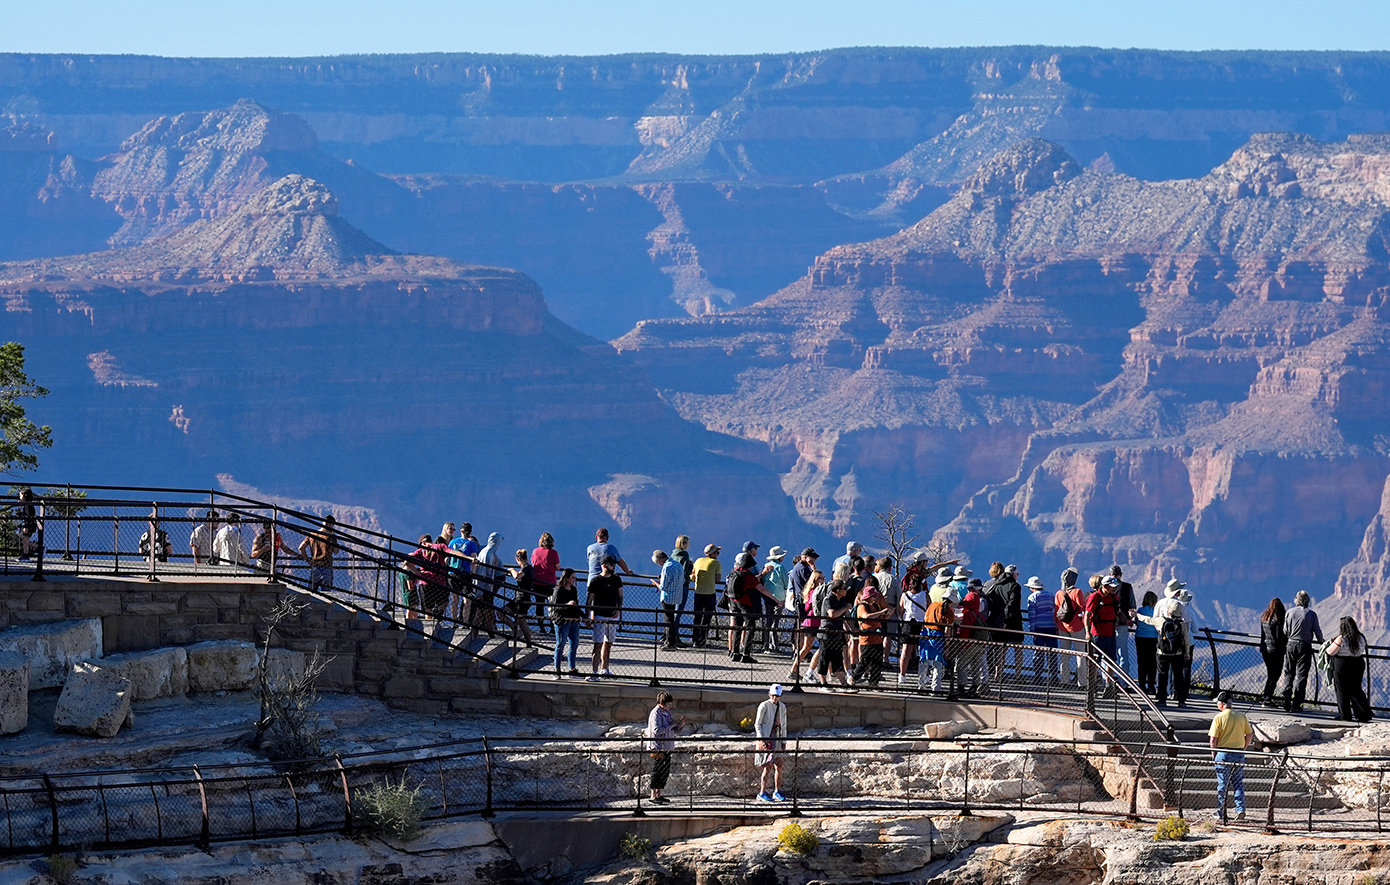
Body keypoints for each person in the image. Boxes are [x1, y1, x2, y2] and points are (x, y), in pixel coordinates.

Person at [1134, 579, 1190, 708]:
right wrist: (1186, 652)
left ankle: (1161, 699)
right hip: (1178, 651)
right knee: (1178, 676)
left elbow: (1149, 620)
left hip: (1162, 649)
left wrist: (1137, 615)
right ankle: (1181, 700)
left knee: (1162, 674)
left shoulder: (1160, 613)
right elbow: (1186, 638)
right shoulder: (1181, 621)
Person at [1209, 691, 1253, 823]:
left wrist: (1214, 754)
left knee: (1223, 783)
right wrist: (1243, 748)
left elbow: (1213, 739)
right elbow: (1249, 735)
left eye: (1218, 703)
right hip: (1238, 753)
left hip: (1223, 753)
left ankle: (1220, 810)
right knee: (1238, 782)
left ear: (1221, 704)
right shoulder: (1241, 716)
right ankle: (1240, 809)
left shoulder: (1219, 717)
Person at [727, 552, 778, 664]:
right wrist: (776, 600)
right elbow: (762, 590)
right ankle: (746, 654)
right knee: (750, 627)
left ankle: (735, 653)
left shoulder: (734, 573)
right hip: (746, 604)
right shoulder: (748, 577)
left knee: (737, 626)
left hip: (734, 602)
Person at [1326, 615, 1373, 723]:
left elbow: (1330, 651)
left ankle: (1345, 715)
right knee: (1356, 689)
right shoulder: (1361, 637)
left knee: (1342, 690)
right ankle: (1364, 713)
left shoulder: (1342, 638)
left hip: (1343, 664)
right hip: (1358, 663)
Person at [1281, 590, 1323, 713]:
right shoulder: (1312, 614)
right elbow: (1317, 631)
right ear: (1308, 601)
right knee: (1302, 675)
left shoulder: (1289, 612)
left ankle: (1286, 696)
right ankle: (1297, 703)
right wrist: (1322, 642)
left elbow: (1285, 630)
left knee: (1289, 672)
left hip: (1291, 644)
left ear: (1296, 600)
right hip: (1305, 646)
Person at [586, 556, 624, 681]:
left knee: (609, 643)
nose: (613, 567)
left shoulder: (617, 579)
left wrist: (618, 610)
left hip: (612, 615)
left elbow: (620, 596)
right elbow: (590, 599)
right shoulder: (596, 581)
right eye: (611, 565)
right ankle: (594, 672)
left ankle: (604, 669)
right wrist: (590, 615)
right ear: (604, 565)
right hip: (599, 615)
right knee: (598, 644)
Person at [983, 562, 1022, 682]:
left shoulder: (997, 586)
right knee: (1018, 647)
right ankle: (1018, 675)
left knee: (1001, 648)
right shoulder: (1015, 586)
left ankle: (998, 674)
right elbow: (1013, 603)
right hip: (1013, 620)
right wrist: (1007, 617)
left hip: (997, 619)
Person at [1084, 576, 1123, 692]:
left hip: (1110, 632)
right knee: (1095, 660)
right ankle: (1092, 686)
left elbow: (1118, 612)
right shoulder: (1094, 597)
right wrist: (1087, 632)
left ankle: (1108, 686)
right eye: (1112, 587)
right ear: (1105, 586)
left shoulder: (1113, 598)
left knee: (1111, 660)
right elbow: (1087, 614)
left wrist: (1126, 620)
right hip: (1097, 633)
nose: (1114, 589)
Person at [645, 690, 685, 804]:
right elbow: (657, 730)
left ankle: (659, 794)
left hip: (667, 745)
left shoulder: (667, 712)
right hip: (657, 746)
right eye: (668, 705)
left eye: (670, 705)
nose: (669, 707)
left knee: (665, 771)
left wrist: (679, 726)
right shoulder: (655, 713)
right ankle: (653, 796)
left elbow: (672, 729)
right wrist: (671, 725)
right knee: (657, 769)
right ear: (661, 703)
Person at [850, 580, 892, 687]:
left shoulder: (875, 606)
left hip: (877, 638)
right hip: (867, 639)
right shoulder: (862, 606)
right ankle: (853, 678)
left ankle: (874, 682)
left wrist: (888, 614)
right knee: (865, 661)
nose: (875, 598)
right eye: (873, 596)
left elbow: (881, 618)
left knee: (877, 661)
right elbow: (865, 616)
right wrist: (881, 612)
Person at [815, 578, 853, 689]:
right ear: (837, 590)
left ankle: (844, 684)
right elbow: (832, 614)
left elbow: (847, 616)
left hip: (837, 635)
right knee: (824, 658)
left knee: (838, 659)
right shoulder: (828, 600)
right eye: (843, 589)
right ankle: (823, 683)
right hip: (826, 633)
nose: (846, 590)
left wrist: (853, 628)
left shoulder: (843, 600)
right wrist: (845, 607)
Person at [753, 684, 788, 802]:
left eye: (777, 696)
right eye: (773, 696)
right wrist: (761, 739)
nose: (775, 698)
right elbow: (758, 724)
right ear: (770, 695)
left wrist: (783, 740)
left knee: (779, 765)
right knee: (767, 766)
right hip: (768, 738)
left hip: (777, 738)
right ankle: (762, 792)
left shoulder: (782, 707)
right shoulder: (764, 706)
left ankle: (777, 791)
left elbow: (784, 725)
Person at [788, 567, 824, 682]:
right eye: (821, 579)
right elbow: (809, 607)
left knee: (807, 648)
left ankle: (794, 670)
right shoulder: (815, 592)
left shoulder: (809, 592)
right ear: (816, 580)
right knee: (808, 648)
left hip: (811, 622)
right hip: (812, 622)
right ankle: (794, 670)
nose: (823, 581)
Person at [898, 563, 931, 685]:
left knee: (906, 650)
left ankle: (902, 674)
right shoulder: (925, 595)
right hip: (921, 624)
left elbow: (901, 610)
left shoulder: (905, 595)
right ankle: (924, 675)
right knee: (923, 650)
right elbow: (929, 608)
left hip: (908, 623)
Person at [1054, 567, 1087, 687]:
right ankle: (1082, 683)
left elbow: (1056, 611)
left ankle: (1064, 681)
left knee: (1064, 655)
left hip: (1063, 627)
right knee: (1081, 655)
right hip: (1077, 628)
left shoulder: (1059, 593)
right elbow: (1082, 609)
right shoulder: (1077, 592)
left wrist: (1058, 625)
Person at [956, 579, 989, 696]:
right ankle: (975, 686)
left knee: (961, 664)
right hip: (980, 643)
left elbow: (965, 631)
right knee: (976, 664)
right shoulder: (979, 614)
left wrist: (964, 644)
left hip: (970, 643)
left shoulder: (968, 615)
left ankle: (961, 686)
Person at [550, 568, 583, 679]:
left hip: (573, 620)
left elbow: (576, 605)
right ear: (567, 578)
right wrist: (567, 605)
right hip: (562, 620)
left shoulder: (573, 590)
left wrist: (584, 616)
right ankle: (557, 670)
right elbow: (555, 607)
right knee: (561, 644)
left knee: (574, 644)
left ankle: (572, 669)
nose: (574, 580)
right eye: (572, 577)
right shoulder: (558, 590)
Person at [919, 597, 955, 696]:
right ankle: (935, 689)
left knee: (923, 661)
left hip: (926, 634)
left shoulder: (933, 605)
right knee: (937, 664)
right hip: (938, 637)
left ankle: (921, 687)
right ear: (952, 602)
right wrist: (947, 646)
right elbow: (948, 631)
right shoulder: (949, 612)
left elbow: (925, 618)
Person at [1025, 576, 1058, 684]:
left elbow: (1032, 615)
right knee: (1052, 652)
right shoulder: (1050, 595)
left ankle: (1038, 676)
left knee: (1038, 653)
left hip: (1039, 627)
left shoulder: (1032, 597)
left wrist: (1032, 629)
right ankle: (1053, 676)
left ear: (1032, 587)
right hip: (1052, 626)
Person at [653, 549, 686, 649]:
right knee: (672, 619)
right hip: (676, 595)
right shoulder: (678, 565)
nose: (659, 565)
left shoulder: (667, 567)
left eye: (658, 562)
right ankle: (672, 640)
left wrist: (656, 583)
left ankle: (670, 643)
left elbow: (663, 587)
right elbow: (683, 580)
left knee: (668, 620)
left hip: (667, 596)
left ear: (660, 560)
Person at [690, 544, 722, 647]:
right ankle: (702, 641)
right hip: (710, 594)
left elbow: (692, 576)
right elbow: (718, 579)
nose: (718, 554)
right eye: (717, 552)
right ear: (712, 554)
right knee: (707, 618)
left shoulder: (698, 561)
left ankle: (695, 640)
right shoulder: (716, 563)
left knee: (697, 617)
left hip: (698, 592)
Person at [759, 546, 789, 653]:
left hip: (767, 597)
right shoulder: (781, 568)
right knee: (775, 623)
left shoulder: (766, 567)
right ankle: (774, 646)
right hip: (779, 598)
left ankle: (766, 645)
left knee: (768, 621)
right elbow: (786, 583)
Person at [298, 515, 338, 595]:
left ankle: (309, 606)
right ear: (331, 524)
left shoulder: (312, 534)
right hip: (327, 566)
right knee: (326, 593)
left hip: (315, 565)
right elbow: (336, 551)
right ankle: (326, 606)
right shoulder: (331, 536)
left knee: (312, 591)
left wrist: (307, 559)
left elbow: (301, 547)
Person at [1258, 597, 1287, 706]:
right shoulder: (1278, 618)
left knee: (1270, 673)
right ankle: (1267, 698)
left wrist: (1262, 646)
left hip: (1265, 649)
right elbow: (1279, 637)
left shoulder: (1264, 617)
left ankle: (1266, 696)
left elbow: (1263, 635)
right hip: (1276, 651)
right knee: (1275, 674)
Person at [1110, 566, 1138, 679]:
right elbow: (1132, 605)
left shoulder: (1105, 587)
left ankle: (1108, 680)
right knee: (1122, 654)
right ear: (1120, 575)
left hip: (1107, 624)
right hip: (1122, 624)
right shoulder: (1127, 587)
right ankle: (1123, 681)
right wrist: (1129, 619)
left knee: (1107, 653)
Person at [505, 549, 535, 643]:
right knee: (521, 621)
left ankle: (516, 630)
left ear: (518, 559)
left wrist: (511, 570)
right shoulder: (529, 568)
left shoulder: (526, 568)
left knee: (520, 620)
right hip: (522, 597)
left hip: (522, 598)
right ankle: (527, 641)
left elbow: (517, 576)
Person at [1134, 591, 1160, 695]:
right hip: (1153, 638)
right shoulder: (1155, 612)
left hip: (1140, 637)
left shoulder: (1140, 610)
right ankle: (1151, 685)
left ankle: (1141, 685)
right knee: (1152, 663)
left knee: (1142, 662)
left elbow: (1137, 622)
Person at [671, 535, 694, 621]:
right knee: (679, 610)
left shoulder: (673, 554)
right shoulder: (684, 555)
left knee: (671, 610)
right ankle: (675, 632)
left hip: (672, 584)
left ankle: (669, 631)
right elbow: (684, 570)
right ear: (684, 544)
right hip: (682, 585)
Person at [15, 488, 38, 560]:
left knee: (25, 540)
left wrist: (26, 526)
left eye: (21, 496)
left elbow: (28, 517)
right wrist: (21, 514)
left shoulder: (28, 506)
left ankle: (27, 554)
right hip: (30, 525)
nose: (20, 497)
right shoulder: (27, 505)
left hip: (28, 525)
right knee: (25, 540)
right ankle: (26, 554)